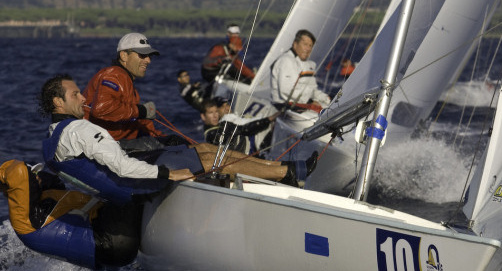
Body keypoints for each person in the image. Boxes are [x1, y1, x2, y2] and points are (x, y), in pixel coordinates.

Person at [41, 75, 317, 191]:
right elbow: (121, 165)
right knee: (208, 161)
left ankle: (285, 169)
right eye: (75, 94)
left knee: (204, 150)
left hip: (127, 173)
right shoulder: (82, 128)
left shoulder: (57, 133)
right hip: (133, 181)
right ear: (58, 102)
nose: (83, 98)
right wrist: (168, 174)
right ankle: (284, 174)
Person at [0, 159, 142, 269]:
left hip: (111, 248)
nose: (37, 176)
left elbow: (55, 184)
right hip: (112, 241)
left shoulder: (47, 200)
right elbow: (18, 173)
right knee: (132, 190)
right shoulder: (25, 220)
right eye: (33, 174)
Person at [83, 32, 168, 145]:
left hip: (112, 141)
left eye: (149, 56)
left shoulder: (125, 81)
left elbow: (133, 118)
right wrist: (141, 111)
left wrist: (161, 138)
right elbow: (100, 109)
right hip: (100, 144)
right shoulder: (114, 75)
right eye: (142, 55)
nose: (148, 60)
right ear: (124, 56)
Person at [270, 29, 331, 112]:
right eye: (305, 44)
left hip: (301, 105)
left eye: (310, 46)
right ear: (295, 44)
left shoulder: (309, 64)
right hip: (284, 108)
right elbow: (286, 92)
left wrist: (325, 98)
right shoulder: (286, 61)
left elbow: (312, 89)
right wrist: (311, 101)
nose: (308, 48)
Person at [201, 98, 277, 155]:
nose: (215, 116)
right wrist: (269, 119)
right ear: (203, 116)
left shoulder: (223, 124)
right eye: (211, 113)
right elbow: (244, 129)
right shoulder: (211, 134)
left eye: (216, 112)